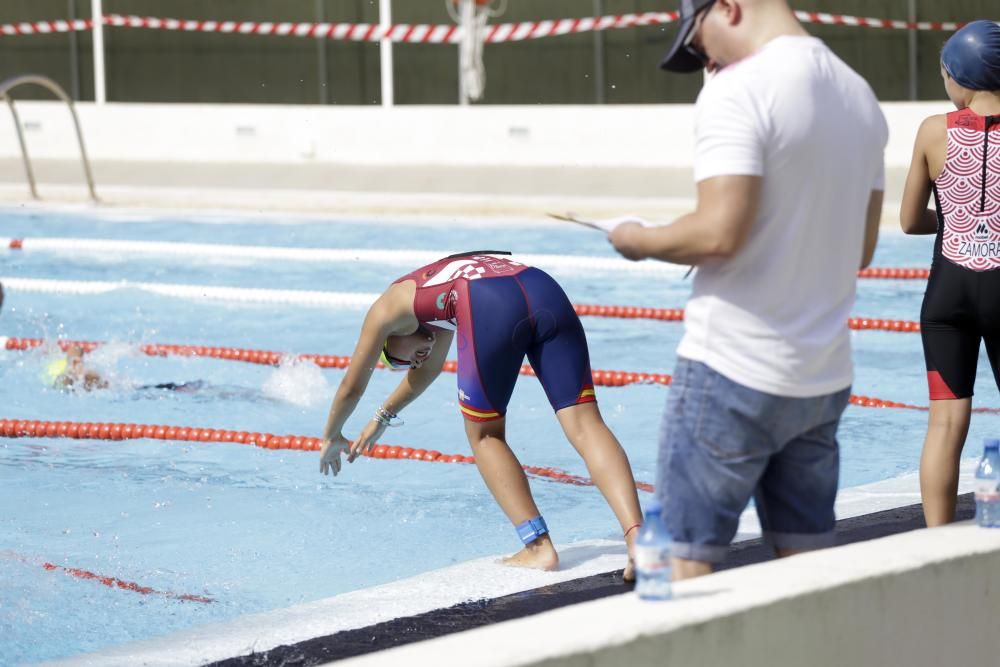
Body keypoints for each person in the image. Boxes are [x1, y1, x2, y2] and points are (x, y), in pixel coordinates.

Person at [608, 0, 886, 580]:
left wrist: (639, 238)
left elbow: (718, 233)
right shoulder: (860, 96)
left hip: (732, 370)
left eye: (699, 41)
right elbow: (858, 250)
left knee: (682, 571)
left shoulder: (740, 90)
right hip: (821, 378)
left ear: (728, 7)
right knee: (806, 576)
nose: (705, 59)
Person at [318, 251, 644, 577]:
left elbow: (351, 387)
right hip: (542, 286)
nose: (414, 364)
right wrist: (381, 418)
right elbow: (426, 374)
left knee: (485, 435)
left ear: (389, 341)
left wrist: (332, 434)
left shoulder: (386, 309)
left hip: (488, 301)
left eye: (399, 362)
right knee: (585, 424)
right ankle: (639, 539)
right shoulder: (433, 305)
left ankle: (538, 547)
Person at [899, 20, 1000, 527]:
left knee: (944, 423)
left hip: (947, 297)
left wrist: (958, 220)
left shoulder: (932, 131)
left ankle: (936, 546)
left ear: (959, 76)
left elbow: (910, 220)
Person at [43, 345, 203, 394]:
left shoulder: (63, 371)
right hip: (125, 390)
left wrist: (75, 361)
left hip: (123, 389)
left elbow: (75, 349)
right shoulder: (65, 377)